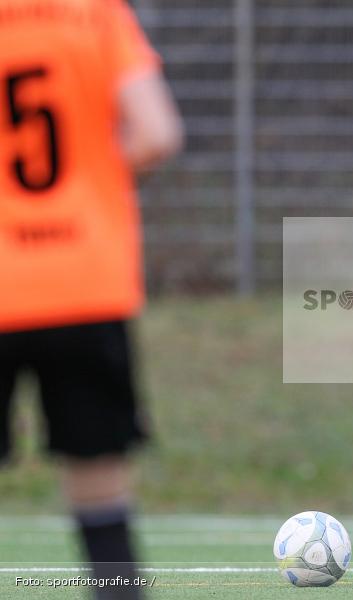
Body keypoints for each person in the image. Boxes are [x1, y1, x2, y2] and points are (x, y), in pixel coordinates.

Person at [0, 1, 183, 598]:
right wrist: (90, 182)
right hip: (86, 284)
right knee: (100, 485)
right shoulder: (96, 14)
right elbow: (155, 134)